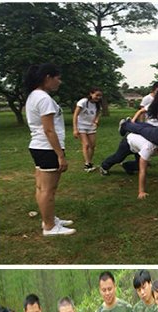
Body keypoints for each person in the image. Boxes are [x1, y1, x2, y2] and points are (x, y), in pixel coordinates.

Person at [24, 63, 74, 236]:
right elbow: (49, 129)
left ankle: (49, 219)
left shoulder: (34, 95)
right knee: (48, 190)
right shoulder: (43, 98)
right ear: (48, 77)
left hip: (38, 147)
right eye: (58, 78)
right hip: (47, 148)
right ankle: (49, 226)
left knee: (41, 187)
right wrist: (60, 155)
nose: (59, 82)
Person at [73, 88, 102, 172]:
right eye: (97, 95)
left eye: (100, 95)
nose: (98, 97)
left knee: (92, 145)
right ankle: (87, 164)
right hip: (81, 125)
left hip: (91, 126)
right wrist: (75, 129)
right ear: (91, 94)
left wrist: (96, 120)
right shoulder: (83, 102)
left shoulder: (97, 104)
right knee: (86, 144)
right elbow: (75, 115)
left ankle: (90, 162)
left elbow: (97, 113)